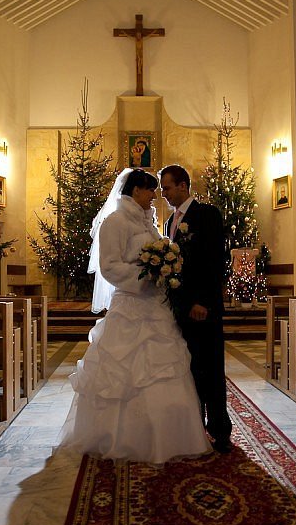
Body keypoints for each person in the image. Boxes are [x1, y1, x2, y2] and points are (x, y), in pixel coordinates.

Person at [58, 168, 212, 464]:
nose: (155, 195)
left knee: (164, 367)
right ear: (136, 190)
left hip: (155, 306)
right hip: (130, 304)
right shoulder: (115, 221)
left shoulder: (148, 222)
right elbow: (109, 266)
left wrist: (163, 269)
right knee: (123, 371)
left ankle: (171, 436)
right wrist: (144, 276)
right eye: (150, 189)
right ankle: (124, 438)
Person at [160, 164, 232, 453]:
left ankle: (220, 431)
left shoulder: (206, 214)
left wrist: (202, 301)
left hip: (203, 307)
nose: (163, 194)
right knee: (190, 370)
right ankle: (195, 428)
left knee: (210, 370)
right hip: (180, 308)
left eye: (167, 187)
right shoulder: (170, 222)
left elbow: (215, 261)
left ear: (183, 185)